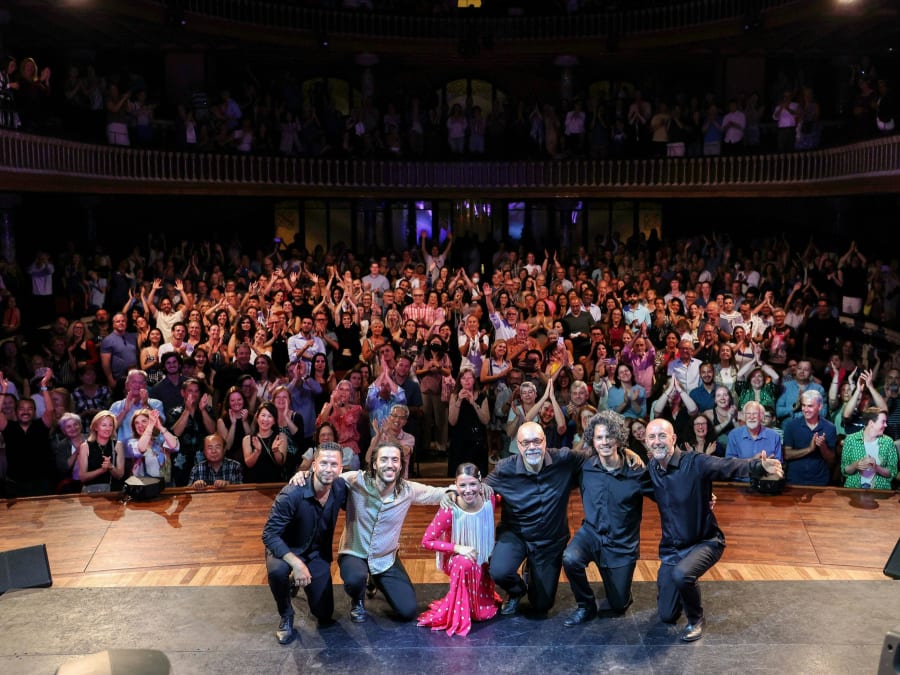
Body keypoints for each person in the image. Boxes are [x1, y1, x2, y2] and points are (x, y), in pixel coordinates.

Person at [644, 417, 783, 642]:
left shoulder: (694, 462)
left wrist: (758, 466)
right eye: (652, 437)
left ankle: (696, 619)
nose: (657, 441)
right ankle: (683, 585)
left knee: (682, 574)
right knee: (667, 616)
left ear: (673, 439)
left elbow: (726, 466)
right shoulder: (652, 469)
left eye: (662, 436)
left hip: (705, 542)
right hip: (672, 549)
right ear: (646, 442)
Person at [294, 442, 456, 623]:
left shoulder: (408, 490)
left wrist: (459, 489)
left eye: (395, 460)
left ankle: (375, 579)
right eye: (384, 459)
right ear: (374, 464)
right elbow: (326, 476)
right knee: (355, 579)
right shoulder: (355, 480)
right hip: (354, 552)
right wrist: (306, 474)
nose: (390, 464)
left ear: (401, 465)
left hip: (385, 558)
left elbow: (437, 493)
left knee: (408, 611)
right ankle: (357, 599)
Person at [484, 421, 582, 618]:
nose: (532, 447)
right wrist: (452, 493)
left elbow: (597, 456)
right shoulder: (505, 469)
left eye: (537, 441)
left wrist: (627, 454)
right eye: (526, 443)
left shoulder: (563, 459)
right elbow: (478, 488)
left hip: (550, 540)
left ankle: (533, 569)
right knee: (499, 571)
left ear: (545, 441)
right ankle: (516, 591)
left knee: (541, 605)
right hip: (516, 534)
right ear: (518, 445)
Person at [561, 410, 647, 627]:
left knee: (618, 605)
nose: (605, 441)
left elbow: (667, 493)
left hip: (621, 543)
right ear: (592, 440)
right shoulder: (585, 466)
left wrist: (705, 496)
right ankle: (586, 606)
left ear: (618, 438)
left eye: (610, 436)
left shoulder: (637, 471)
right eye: (599, 437)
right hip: (591, 534)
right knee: (570, 558)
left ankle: (618, 588)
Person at [262, 441, 346, 644]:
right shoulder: (291, 494)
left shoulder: (341, 487)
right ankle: (286, 614)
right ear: (313, 465)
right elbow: (269, 534)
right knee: (277, 571)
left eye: (334, 464)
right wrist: (297, 564)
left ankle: (296, 582)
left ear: (341, 468)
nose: (328, 469)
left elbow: (366, 484)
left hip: (316, 552)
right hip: (285, 548)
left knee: (324, 614)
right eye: (323, 463)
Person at [416, 462, 501, 637]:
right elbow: (427, 541)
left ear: (480, 483)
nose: (468, 490)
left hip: (483, 556)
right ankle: (461, 608)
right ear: (455, 485)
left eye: (473, 484)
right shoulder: (450, 509)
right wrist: (457, 548)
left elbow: (504, 497)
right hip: (459, 559)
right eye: (462, 485)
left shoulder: (489, 499)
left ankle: (479, 600)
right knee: (465, 563)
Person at [782, 389, 837, 486]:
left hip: (820, 481)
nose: (806, 409)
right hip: (794, 481)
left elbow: (832, 461)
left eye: (810, 406)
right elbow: (786, 454)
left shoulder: (830, 428)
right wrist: (809, 449)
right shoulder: (791, 425)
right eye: (803, 405)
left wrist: (823, 446)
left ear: (820, 407)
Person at [447, 367, 491, 478]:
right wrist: (459, 401)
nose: (466, 381)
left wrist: (474, 403)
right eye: (463, 378)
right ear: (459, 381)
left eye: (469, 378)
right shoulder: (454, 396)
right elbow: (452, 421)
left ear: (474, 380)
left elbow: (486, 420)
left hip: (477, 441)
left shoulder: (482, 396)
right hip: (459, 440)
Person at [840, 407, 898, 490]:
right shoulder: (851, 440)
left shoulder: (888, 442)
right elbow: (844, 470)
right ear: (871, 423)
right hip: (854, 490)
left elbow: (893, 472)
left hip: (880, 491)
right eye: (883, 422)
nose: (886, 425)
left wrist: (876, 467)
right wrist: (856, 465)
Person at [78, 410, 126, 493]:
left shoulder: (118, 445)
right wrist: (101, 470)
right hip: (90, 494)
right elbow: (82, 477)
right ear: (96, 427)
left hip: (112, 492)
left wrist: (111, 467)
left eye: (110, 425)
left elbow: (120, 475)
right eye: (104, 425)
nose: (108, 428)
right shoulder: (85, 446)